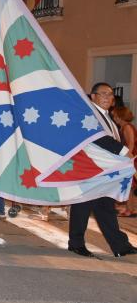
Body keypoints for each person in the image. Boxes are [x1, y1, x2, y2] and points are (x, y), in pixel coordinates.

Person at [67, 82, 137, 257]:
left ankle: (120, 246)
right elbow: (97, 137)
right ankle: (76, 243)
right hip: (90, 170)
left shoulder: (108, 117)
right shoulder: (89, 114)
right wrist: (124, 152)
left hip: (104, 173)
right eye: (103, 94)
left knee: (106, 208)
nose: (108, 97)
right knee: (82, 206)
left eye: (110, 94)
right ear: (93, 97)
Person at [112, 106, 137, 217]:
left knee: (130, 185)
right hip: (130, 158)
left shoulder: (127, 127)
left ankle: (130, 210)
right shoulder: (124, 127)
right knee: (129, 185)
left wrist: (127, 160)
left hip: (131, 158)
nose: (114, 118)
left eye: (115, 116)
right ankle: (129, 209)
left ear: (119, 116)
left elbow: (131, 144)